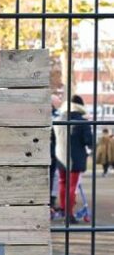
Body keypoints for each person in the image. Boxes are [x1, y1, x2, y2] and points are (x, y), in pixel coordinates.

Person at [54, 94, 94, 224]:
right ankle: (69, 214)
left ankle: (64, 210)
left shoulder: (59, 119)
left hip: (60, 157)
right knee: (72, 186)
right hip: (75, 159)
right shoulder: (82, 122)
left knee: (62, 183)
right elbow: (89, 141)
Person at [49, 92, 63, 212]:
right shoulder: (54, 115)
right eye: (58, 100)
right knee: (51, 176)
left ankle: (51, 202)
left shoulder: (57, 114)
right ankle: (49, 203)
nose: (60, 101)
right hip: (51, 150)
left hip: (53, 150)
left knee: (53, 176)